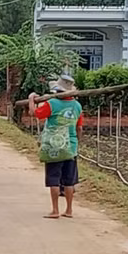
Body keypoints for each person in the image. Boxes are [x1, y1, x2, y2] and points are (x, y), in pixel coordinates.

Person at [29, 74, 83, 219]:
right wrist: (76, 143)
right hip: (71, 147)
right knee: (69, 180)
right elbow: (79, 128)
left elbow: (35, 113)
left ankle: (55, 210)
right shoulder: (77, 106)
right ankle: (69, 210)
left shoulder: (51, 104)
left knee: (54, 178)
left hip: (54, 146)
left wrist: (31, 99)